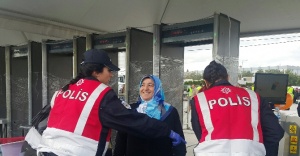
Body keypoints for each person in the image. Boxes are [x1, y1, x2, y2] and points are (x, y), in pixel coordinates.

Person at [37, 49, 185, 156]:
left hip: (47, 151)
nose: (111, 74)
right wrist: (167, 131)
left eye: (151, 85)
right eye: (109, 70)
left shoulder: (63, 90)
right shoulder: (100, 94)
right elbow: (131, 122)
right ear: (96, 72)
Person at [190, 60, 284, 156]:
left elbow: (201, 135)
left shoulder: (199, 100)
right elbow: (275, 132)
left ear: (206, 82)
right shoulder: (254, 97)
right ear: (228, 77)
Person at [114, 75, 186, 156]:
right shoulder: (130, 110)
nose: (145, 88)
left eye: (150, 85)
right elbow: (121, 141)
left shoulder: (169, 111)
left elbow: (179, 142)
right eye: (142, 85)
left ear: (158, 88)